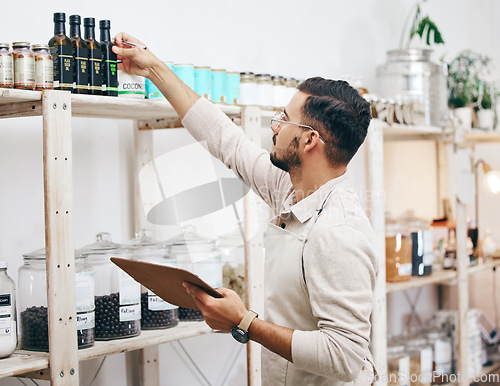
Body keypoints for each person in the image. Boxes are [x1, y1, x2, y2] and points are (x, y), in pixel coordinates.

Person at [112, 33, 378, 385]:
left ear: (310, 139)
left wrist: (244, 322)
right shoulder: (292, 189)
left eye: (284, 119)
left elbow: (344, 356)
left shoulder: (338, 232)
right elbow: (227, 141)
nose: (275, 127)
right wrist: (156, 70)